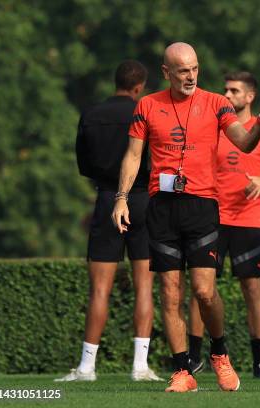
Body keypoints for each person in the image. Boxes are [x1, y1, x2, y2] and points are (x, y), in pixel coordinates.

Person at [111, 42, 260, 393]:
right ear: (166, 72)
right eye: (182, 70)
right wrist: (121, 199)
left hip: (203, 206)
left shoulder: (217, 103)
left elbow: (244, 143)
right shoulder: (147, 105)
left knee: (205, 292)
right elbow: (132, 156)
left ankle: (220, 353)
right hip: (162, 207)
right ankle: (182, 370)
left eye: (194, 69)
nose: (190, 76)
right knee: (170, 293)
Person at [56, 60, 162, 382]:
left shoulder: (91, 114)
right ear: (139, 87)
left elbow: (83, 164)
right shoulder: (146, 112)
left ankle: (87, 367)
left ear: (115, 82)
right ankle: (140, 367)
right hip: (144, 200)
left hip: (106, 199)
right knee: (145, 286)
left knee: (99, 290)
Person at [188, 71, 260, 379]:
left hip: (248, 220)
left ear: (249, 97)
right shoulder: (215, 127)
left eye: (234, 91)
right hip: (212, 218)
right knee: (201, 289)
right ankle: (194, 358)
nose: (227, 95)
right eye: (225, 89)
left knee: (251, 288)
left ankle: (259, 361)